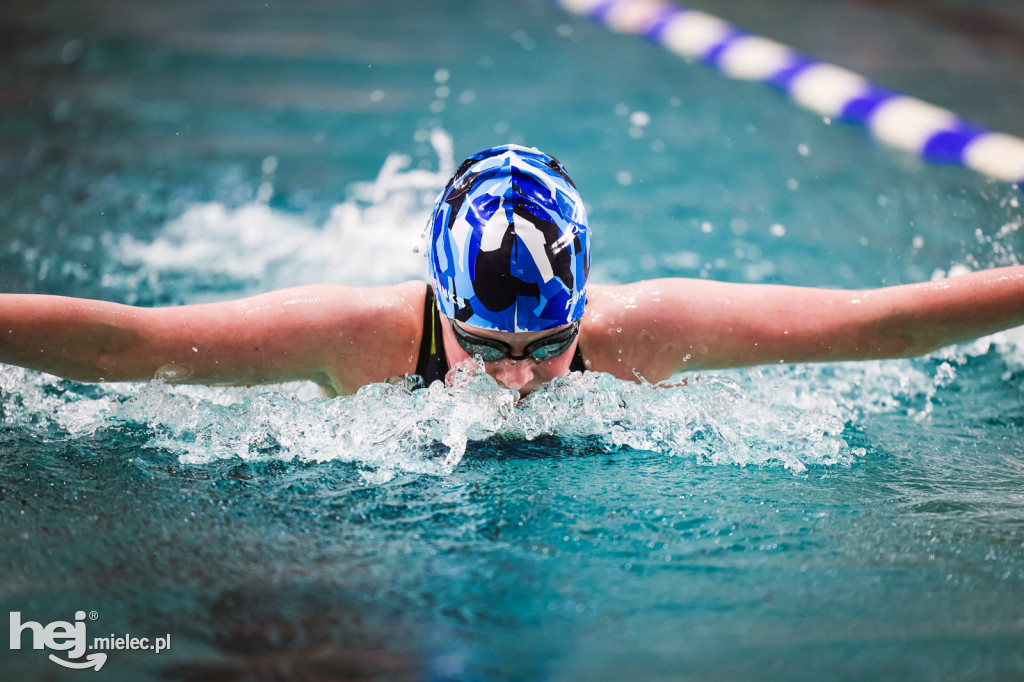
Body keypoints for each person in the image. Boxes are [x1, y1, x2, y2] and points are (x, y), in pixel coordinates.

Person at [1, 144, 1023, 398]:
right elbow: (120, 343)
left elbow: (879, 324)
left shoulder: (646, 331)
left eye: (547, 346)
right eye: (483, 346)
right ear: (438, 303)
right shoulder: (355, 337)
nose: (518, 380)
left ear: (585, 304)